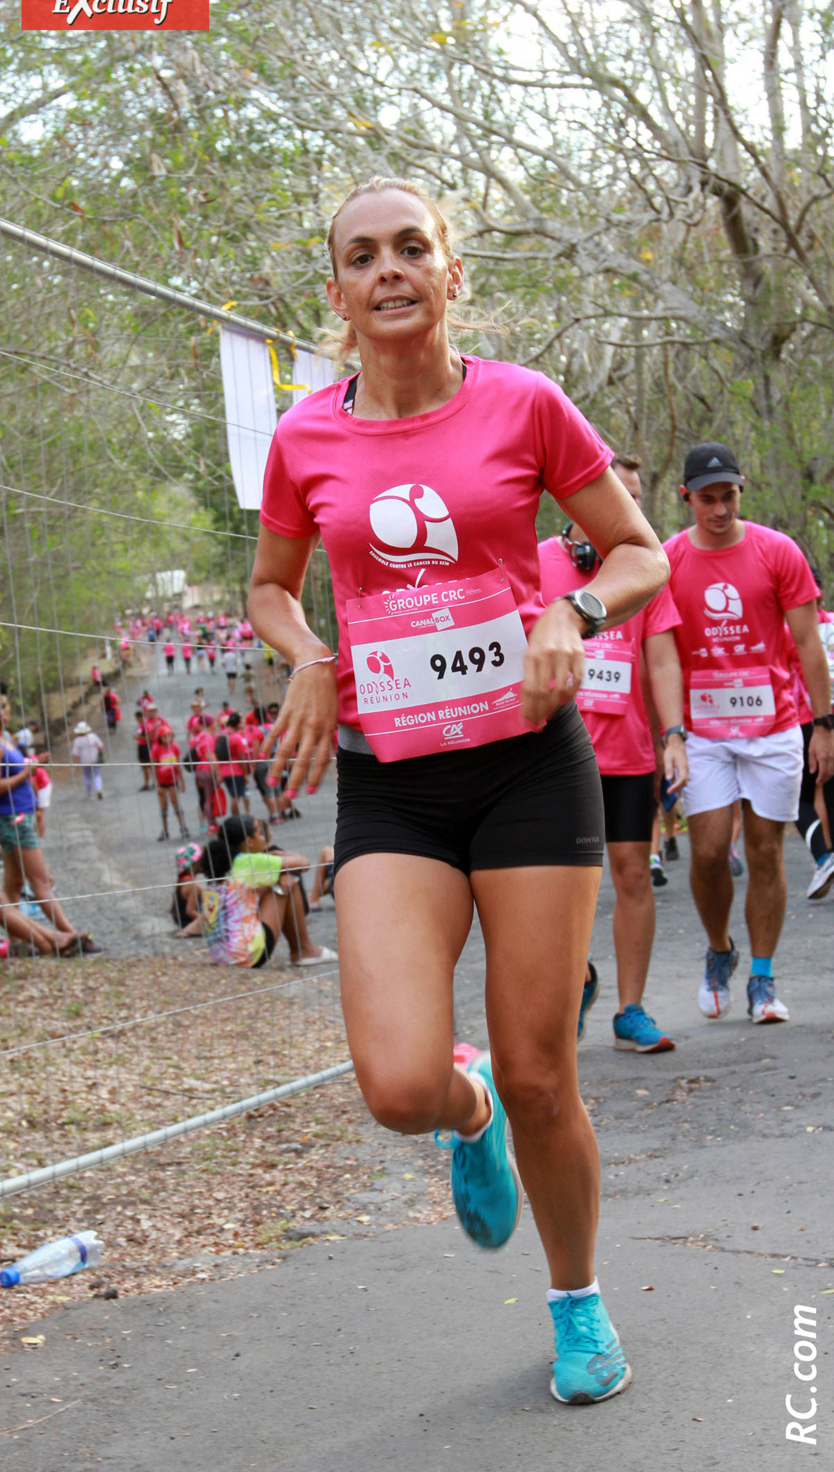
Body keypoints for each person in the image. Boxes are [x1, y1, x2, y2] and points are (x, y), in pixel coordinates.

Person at [248, 177, 668, 1406]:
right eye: (362, 255)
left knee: (549, 1073)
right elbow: (271, 585)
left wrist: (571, 607)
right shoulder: (304, 438)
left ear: (450, 275)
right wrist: (312, 656)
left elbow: (635, 551)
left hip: (531, 769)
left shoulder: (526, 403)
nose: (389, 269)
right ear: (336, 292)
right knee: (396, 1084)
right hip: (394, 788)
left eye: (412, 249)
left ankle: (577, 1300)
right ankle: (462, 1102)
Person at [665, 442, 834, 1024]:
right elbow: (659, 656)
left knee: (765, 852)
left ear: (742, 491)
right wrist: (672, 734)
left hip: (774, 724)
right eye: (707, 499)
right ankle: (720, 950)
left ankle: (762, 979)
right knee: (710, 850)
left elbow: (809, 644)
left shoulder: (777, 551)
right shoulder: (669, 560)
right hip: (704, 730)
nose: (719, 509)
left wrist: (825, 723)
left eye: (728, 496)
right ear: (686, 497)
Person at [538, 453, 688, 1052]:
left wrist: (673, 734)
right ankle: (575, 983)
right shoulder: (539, 562)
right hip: (552, 754)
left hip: (626, 754)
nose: (624, 506)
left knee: (632, 874)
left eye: (634, 496)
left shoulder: (645, 568)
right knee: (553, 886)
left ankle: (631, 1010)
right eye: (612, 493)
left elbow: (662, 657)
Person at [0, 694, 100, 951]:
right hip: (13, 817)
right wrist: (27, 773)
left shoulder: (8, 739)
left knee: (14, 884)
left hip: (22, 813)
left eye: (4, 706)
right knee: (41, 879)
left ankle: (19, 942)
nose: (2, 713)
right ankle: (71, 936)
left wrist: (30, 773)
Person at [200, 817, 337, 968]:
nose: (263, 839)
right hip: (248, 954)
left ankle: (301, 949)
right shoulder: (249, 862)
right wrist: (277, 854)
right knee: (289, 880)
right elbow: (303, 863)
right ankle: (303, 950)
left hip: (223, 956)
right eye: (260, 834)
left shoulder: (221, 864)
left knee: (278, 878)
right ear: (249, 841)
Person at [786, 572, 834, 899]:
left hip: (810, 720)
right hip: (820, 720)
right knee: (828, 795)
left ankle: (824, 856)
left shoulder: (791, 631)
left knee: (798, 800)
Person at [150, 723, 188, 841]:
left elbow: (178, 766)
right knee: (163, 806)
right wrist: (157, 785)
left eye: (169, 736)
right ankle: (165, 830)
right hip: (162, 781)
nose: (167, 739)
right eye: (165, 736)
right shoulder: (156, 749)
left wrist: (182, 782)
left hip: (172, 780)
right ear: (160, 738)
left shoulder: (174, 747)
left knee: (175, 803)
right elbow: (154, 767)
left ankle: (183, 828)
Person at [71, 721, 105, 801]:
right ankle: (99, 789)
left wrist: (77, 764)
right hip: (95, 758)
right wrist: (101, 753)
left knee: (87, 777)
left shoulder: (77, 740)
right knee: (97, 775)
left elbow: (75, 753)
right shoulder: (93, 736)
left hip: (84, 761)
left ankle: (90, 794)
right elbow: (100, 746)